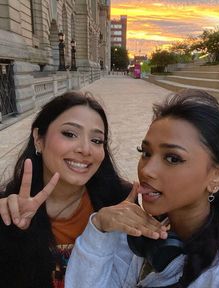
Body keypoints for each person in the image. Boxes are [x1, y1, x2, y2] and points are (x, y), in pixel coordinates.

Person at [66, 89, 219, 288]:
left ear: (217, 176)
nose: (147, 170)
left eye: (173, 158)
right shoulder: (140, 232)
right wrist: (100, 227)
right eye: (145, 153)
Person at [0, 91, 138, 288]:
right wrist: (11, 233)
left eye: (97, 140)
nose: (85, 149)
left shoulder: (119, 199)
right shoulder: (8, 211)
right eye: (70, 134)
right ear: (39, 138)